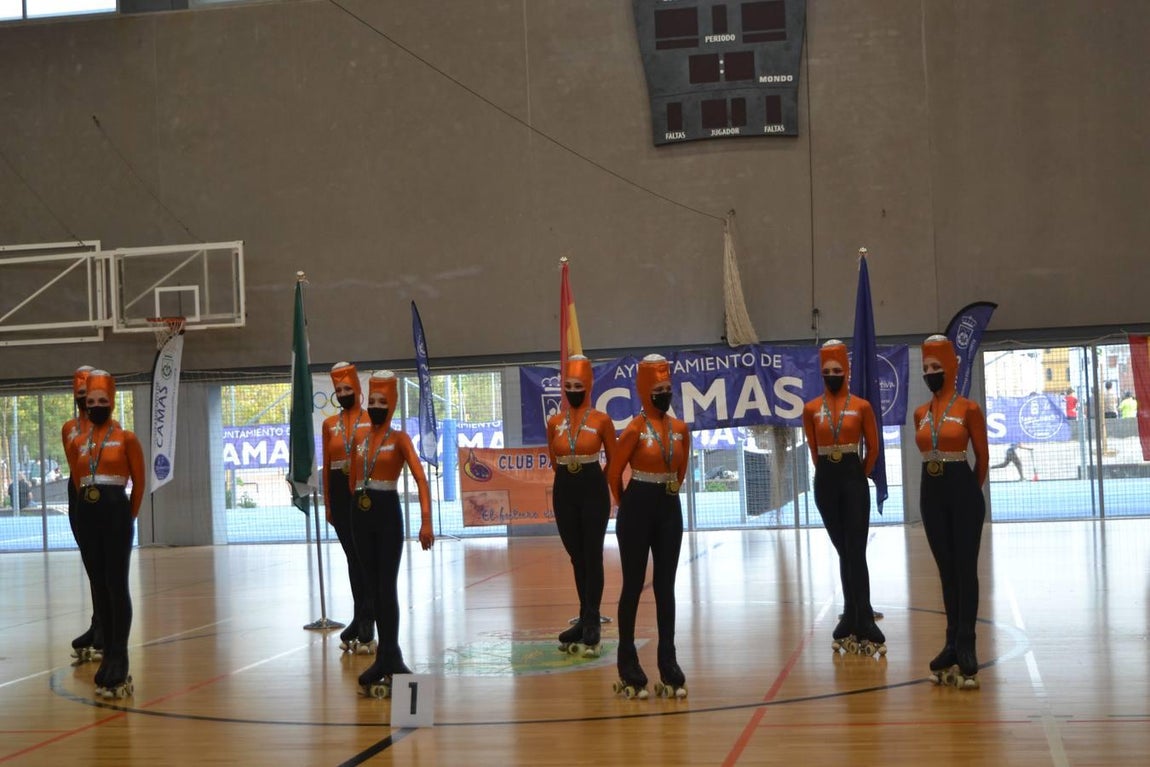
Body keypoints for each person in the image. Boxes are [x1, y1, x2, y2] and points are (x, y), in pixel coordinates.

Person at [607, 354, 691, 699]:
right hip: (637, 505)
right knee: (633, 584)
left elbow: (682, 468)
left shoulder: (680, 429)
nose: (664, 394)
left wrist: (672, 487)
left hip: (669, 505)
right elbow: (613, 473)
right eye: (658, 389)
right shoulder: (633, 430)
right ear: (644, 391)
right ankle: (628, 662)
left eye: (668, 389)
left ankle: (668, 661)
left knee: (666, 586)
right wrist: (626, 502)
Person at [350, 370, 435, 698]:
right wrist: (352, 511)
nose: (375, 407)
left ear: (393, 404)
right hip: (361, 512)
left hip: (386, 513)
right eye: (371, 401)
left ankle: (391, 654)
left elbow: (420, 479)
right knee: (371, 587)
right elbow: (353, 479)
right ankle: (383, 653)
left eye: (381, 402)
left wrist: (426, 520)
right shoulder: (360, 439)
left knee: (387, 586)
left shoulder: (400, 439)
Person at [801, 340, 885, 656]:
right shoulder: (810, 409)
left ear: (846, 372)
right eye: (827, 372)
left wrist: (858, 475)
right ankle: (852, 614)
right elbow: (812, 448)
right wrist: (828, 475)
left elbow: (874, 448)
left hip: (853, 478)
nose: (832, 375)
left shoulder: (862, 406)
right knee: (843, 551)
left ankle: (863, 617)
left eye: (837, 370)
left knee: (856, 551)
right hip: (826, 480)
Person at [914, 336, 989, 689]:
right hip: (930, 492)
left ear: (951, 367)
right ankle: (950, 642)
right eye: (926, 368)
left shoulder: (969, 409)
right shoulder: (920, 414)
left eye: (936, 367)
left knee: (964, 570)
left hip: (962, 491)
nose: (931, 373)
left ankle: (967, 642)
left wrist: (969, 494)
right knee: (946, 571)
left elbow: (983, 459)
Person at [70, 369, 145, 699]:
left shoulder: (126, 437)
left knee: (117, 585)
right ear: (84, 404)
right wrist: (85, 512)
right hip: (89, 515)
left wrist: (127, 515)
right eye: (91, 401)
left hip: (116, 514)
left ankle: (119, 655)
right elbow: (76, 479)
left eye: (102, 401)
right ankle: (104, 649)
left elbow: (140, 483)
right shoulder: (78, 441)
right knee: (98, 585)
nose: (95, 405)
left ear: (112, 403)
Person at [546, 354, 617, 657]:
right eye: (567, 385)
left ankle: (592, 621)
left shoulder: (602, 420)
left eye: (578, 385)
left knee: (592, 554)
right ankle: (584, 616)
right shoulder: (555, 422)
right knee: (576, 556)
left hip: (593, 488)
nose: (572, 390)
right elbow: (553, 459)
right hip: (564, 488)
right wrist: (569, 479)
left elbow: (613, 460)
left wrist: (596, 484)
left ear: (587, 386)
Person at [321, 362, 374, 655]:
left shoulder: (371, 420)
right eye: (338, 390)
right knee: (353, 559)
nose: (342, 393)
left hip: (367, 493)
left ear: (358, 389)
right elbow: (328, 469)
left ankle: (368, 621)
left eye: (347, 389)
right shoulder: (329, 425)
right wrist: (328, 505)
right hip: (341, 496)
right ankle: (360, 617)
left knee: (367, 559)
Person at [61, 365, 104, 665]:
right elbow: (75, 466)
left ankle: (108, 628)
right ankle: (98, 623)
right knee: (91, 563)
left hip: (103, 491)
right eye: (79, 393)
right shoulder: (69, 428)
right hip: (79, 492)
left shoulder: (111, 429)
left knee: (107, 567)